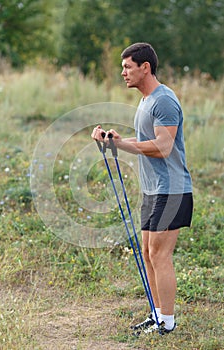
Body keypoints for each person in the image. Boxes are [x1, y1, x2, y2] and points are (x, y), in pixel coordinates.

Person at [91, 42, 193, 335]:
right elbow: (147, 139)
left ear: (144, 67)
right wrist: (116, 140)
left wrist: (121, 144)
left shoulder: (164, 100)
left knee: (160, 255)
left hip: (171, 190)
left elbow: (163, 146)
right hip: (153, 189)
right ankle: (157, 314)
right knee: (149, 253)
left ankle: (168, 324)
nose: (122, 72)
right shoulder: (146, 100)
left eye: (127, 67)